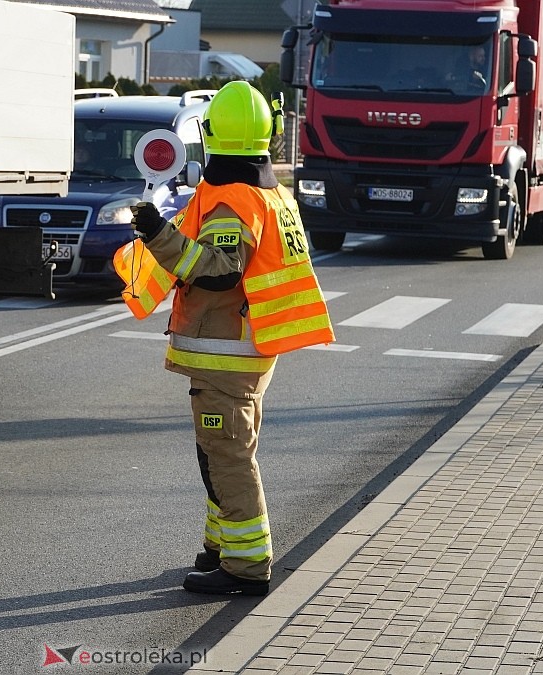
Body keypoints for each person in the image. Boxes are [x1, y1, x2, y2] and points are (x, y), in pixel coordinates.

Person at [125, 81, 336, 596]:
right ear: (270, 134)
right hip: (248, 347)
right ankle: (221, 547)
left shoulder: (232, 200)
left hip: (226, 351)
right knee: (219, 450)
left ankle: (245, 566)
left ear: (209, 135)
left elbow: (219, 271)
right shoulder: (272, 194)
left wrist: (158, 234)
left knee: (227, 455)